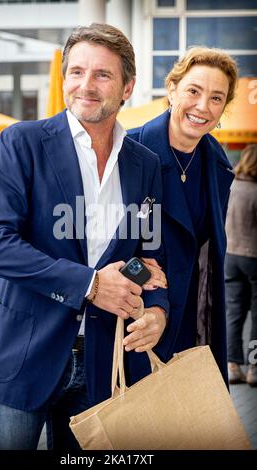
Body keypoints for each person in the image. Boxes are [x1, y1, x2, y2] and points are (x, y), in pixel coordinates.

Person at [0, 23, 169, 451]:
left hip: (101, 361)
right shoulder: (21, 143)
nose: (86, 85)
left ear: (127, 86)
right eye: (76, 72)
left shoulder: (145, 164)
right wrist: (91, 285)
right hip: (20, 354)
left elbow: (151, 256)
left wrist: (158, 313)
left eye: (102, 75)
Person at [129, 46, 238, 386]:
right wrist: (139, 273)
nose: (203, 106)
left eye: (216, 98)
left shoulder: (217, 165)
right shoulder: (128, 153)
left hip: (195, 325)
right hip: (140, 321)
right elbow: (98, 248)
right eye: (194, 91)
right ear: (172, 89)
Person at [225, 144, 257, 387]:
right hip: (253, 258)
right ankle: (254, 368)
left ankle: (232, 366)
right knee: (256, 317)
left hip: (230, 257)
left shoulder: (231, 186)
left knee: (234, 314)